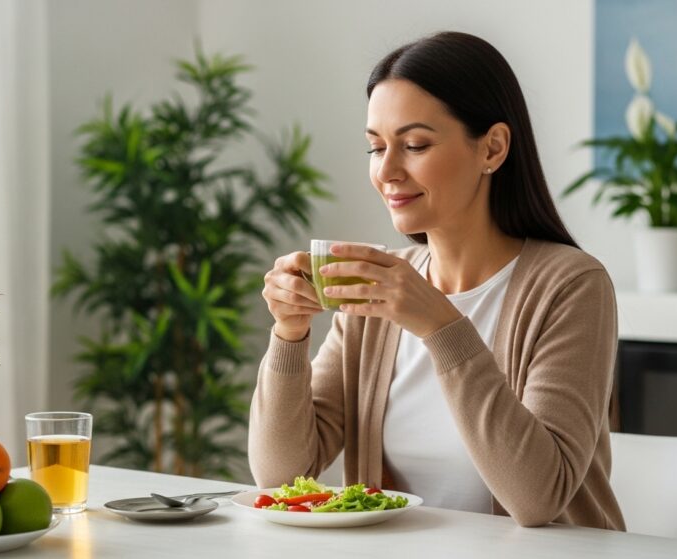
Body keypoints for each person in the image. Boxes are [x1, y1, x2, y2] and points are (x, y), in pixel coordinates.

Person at [250, 31, 625, 531]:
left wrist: (440, 325)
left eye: (415, 145)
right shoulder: (377, 290)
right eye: (375, 147)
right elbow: (280, 477)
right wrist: (289, 335)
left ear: (492, 148)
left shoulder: (572, 286)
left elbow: (539, 499)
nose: (387, 171)